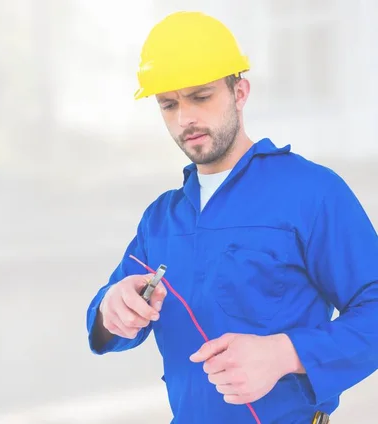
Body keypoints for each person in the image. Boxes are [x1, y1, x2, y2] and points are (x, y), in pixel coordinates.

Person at [85, 10, 378, 424]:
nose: (185, 118)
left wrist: (286, 353)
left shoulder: (311, 193)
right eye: (168, 104)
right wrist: (109, 308)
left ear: (240, 92)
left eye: (200, 96)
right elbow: (109, 322)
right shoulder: (160, 220)